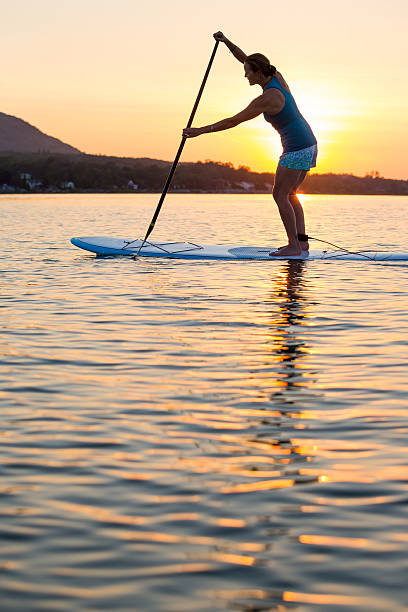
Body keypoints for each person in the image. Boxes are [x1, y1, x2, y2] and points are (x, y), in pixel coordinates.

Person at [183, 32, 317, 257]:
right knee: (290, 193)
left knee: (279, 194)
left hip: (296, 148)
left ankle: (293, 245)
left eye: (247, 72)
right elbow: (245, 58)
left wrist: (200, 131)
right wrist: (226, 42)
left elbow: (234, 121)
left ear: (258, 72)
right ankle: (301, 243)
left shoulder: (267, 99)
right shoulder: (276, 77)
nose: (245, 76)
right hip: (309, 143)